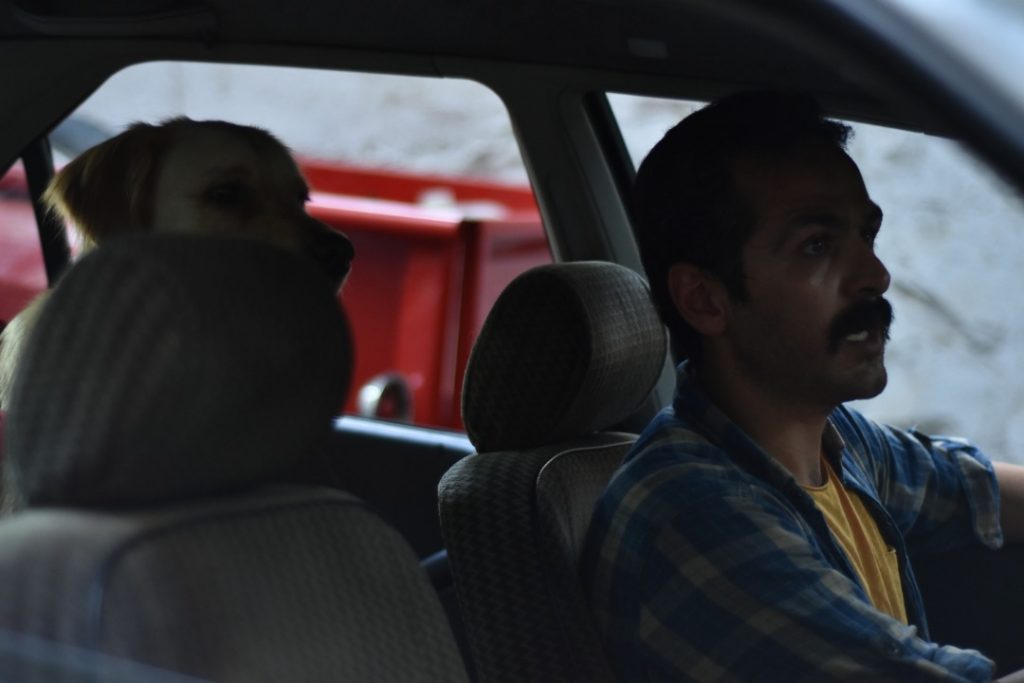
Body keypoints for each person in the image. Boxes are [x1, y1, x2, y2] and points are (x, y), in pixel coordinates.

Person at [580, 90, 1024, 682]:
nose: (876, 275)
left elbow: (968, 487)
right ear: (704, 299)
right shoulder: (693, 517)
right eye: (816, 245)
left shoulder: (834, 443)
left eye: (866, 235)